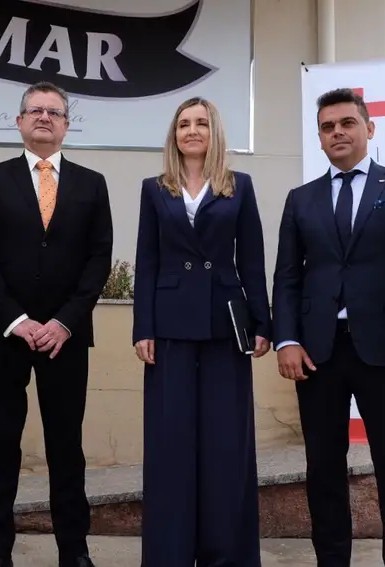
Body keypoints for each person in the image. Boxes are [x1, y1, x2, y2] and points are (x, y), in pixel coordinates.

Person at [272, 87, 385, 567]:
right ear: (320, 138)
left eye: (347, 123)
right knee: (323, 468)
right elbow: (287, 277)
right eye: (328, 127)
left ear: (369, 129)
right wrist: (286, 339)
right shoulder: (300, 200)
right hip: (317, 355)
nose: (337, 132)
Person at [0, 81, 113, 567]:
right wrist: (17, 319)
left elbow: (98, 259)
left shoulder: (92, 183)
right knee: (0, 444)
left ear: (66, 124)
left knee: (66, 447)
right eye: (35, 110)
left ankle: (74, 550)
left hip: (65, 338)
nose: (44, 118)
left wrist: (64, 322)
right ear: (20, 121)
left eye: (55, 112)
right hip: (5, 334)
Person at [131, 96, 272, 567]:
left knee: (225, 445)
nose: (192, 131)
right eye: (184, 124)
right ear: (174, 134)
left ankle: (226, 556)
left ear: (215, 133)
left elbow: (252, 259)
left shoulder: (239, 186)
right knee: (170, 445)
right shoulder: (155, 189)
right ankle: (169, 555)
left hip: (225, 326)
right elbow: (146, 262)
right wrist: (142, 327)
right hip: (169, 327)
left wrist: (262, 323)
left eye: (202, 123)